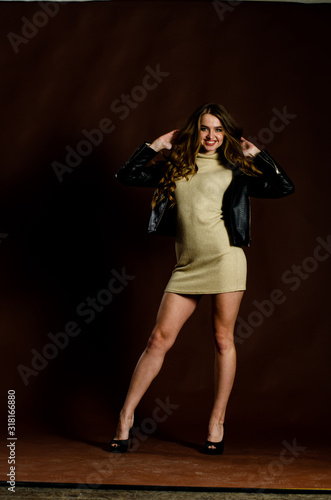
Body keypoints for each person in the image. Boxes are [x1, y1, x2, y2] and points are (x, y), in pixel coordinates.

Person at [110, 103, 294, 455]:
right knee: (157, 341)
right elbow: (127, 175)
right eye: (206, 129)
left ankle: (216, 421)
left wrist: (260, 154)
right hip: (188, 265)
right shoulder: (176, 166)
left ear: (228, 134)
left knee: (223, 339)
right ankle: (125, 416)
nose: (212, 136)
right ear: (195, 131)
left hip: (226, 259)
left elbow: (284, 186)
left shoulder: (236, 168)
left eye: (219, 130)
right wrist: (157, 144)